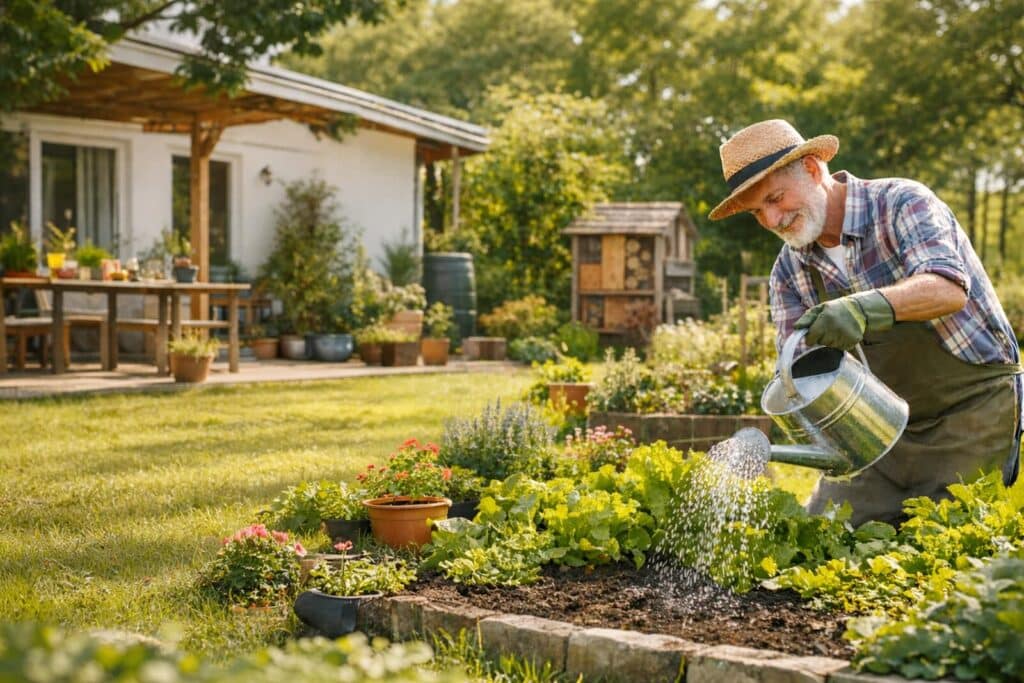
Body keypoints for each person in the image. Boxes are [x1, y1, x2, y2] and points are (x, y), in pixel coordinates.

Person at [708, 118, 1021, 524]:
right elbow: (798, 374)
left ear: (812, 169)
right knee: (823, 537)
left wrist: (862, 309)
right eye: (756, 212)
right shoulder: (789, 272)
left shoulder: (900, 204)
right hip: (876, 433)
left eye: (776, 198)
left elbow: (947, 289)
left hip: (970, 414)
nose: (771, 220)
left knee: (944, 547)